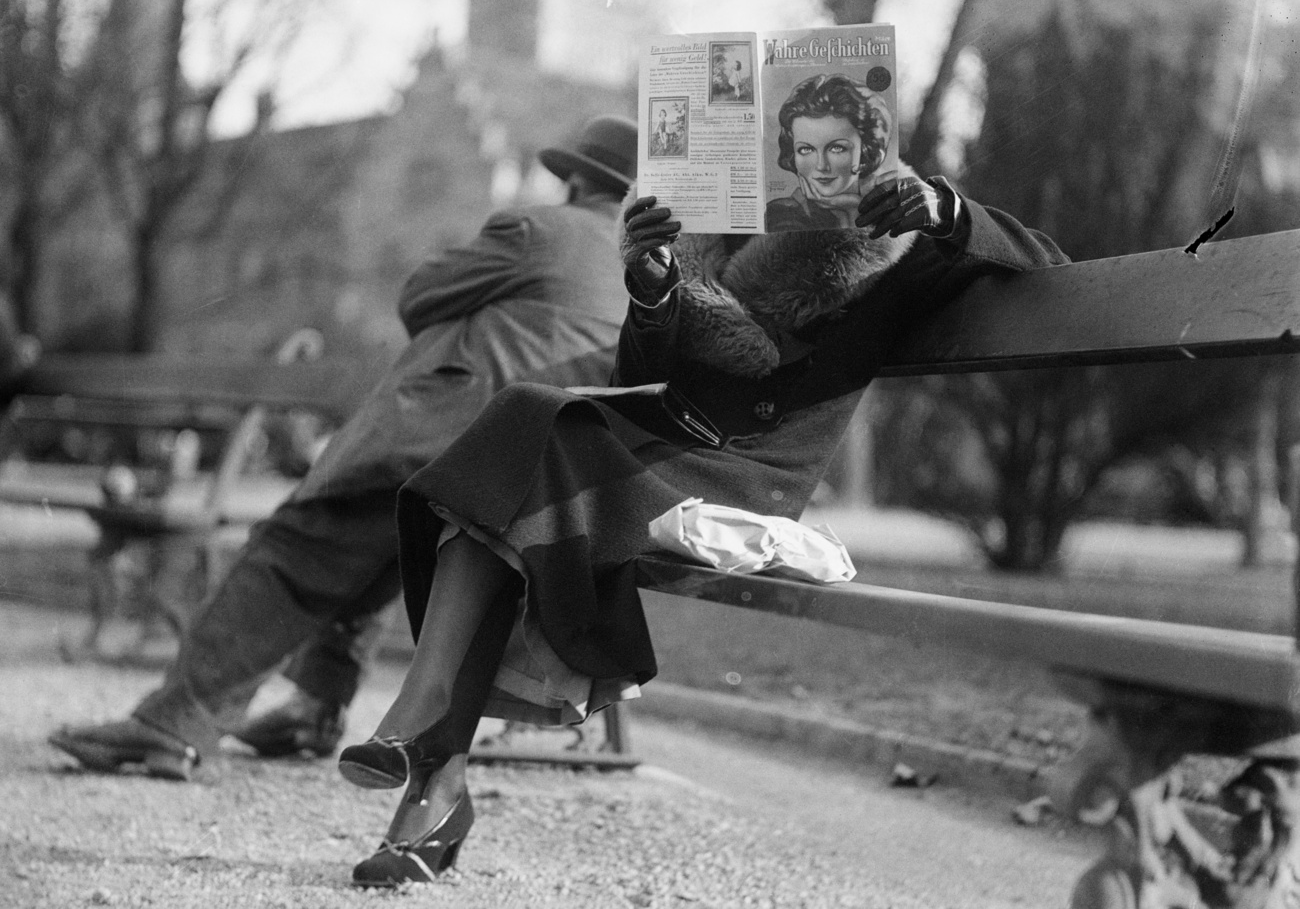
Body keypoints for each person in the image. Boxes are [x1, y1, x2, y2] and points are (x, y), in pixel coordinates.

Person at [333, 167, 1068, 886]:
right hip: (667, 443)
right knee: (521, 441)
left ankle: (430, 751)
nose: (807, 161)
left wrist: (943, 208)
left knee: (528, 451)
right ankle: (432, 762)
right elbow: (640, 375)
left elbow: (1047, 261)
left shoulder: (893, 229)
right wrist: (652, 286)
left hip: (749, 472)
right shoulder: (712, 223)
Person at [47, 115, 639, 780]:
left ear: (579, 180)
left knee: (298, 547)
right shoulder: (643, 271)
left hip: (450, 437)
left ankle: (171, 722)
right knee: (384, 546)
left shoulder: (536, 230)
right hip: (540, 479)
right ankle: (317, 706)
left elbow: (420, 294)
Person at [765, 73, 893, 232]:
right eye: (806, 149)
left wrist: (854, 212)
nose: (821, 166)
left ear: (866, 149)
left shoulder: (892, 204)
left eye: (837, 148)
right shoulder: (781, 215)